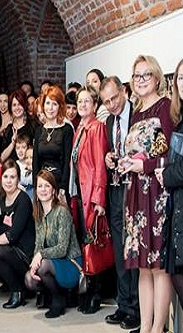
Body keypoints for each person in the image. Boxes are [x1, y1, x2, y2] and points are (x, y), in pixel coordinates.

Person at [121, 55, 173, 333]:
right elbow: (138, 152)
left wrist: (146, 166)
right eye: (136, 75)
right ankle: (145, 328)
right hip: (136, 195)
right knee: (142, 265)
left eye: (146, 75)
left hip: (157, 193)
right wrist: (124, 162)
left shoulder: (166, 107)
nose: (140, 80)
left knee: (159, 266)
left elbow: (172, 155)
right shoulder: (137, 112)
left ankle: (158, 328)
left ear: (156, 77)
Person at [100, 76, 140, 330]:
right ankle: (123, 304)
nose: (112, 104)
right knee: (118, 250)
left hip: (135, 189)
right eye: (106, 101)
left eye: (114, 98)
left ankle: (137, 308)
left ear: (124, 91)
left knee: (133, 250)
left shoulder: (138, 115)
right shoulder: (109, 121)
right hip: (116, 189)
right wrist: (108, 158)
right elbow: (110, 151)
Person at [69, 85, 109, 314]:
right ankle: (88, 290)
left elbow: (100, 165)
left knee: (94, 245)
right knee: (86, 244)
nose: (82, 105)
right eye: (79, 101)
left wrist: (99, 199)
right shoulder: (79, 129)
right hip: (79, 195)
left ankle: (96, 294)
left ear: (94, 105)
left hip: (91, 196)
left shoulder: (97, 127)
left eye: (87, 101)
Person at [25, 170, 83, 319]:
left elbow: (62, 249)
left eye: (47, 186)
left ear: (53, 190)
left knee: (43, 265)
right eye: (40, 186)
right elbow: (38, 244)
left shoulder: (61, 212)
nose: (43, 190)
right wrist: (34, 264)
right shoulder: (39, 214)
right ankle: (51, 294)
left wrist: (40, 255)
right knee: (29, 279)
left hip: (70, 263)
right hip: (53, 262)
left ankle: (59, 299)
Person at [0, 159, 35, 309]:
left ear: (18, 179)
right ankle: (12, 282)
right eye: (5, 176)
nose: (8, 181)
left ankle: (18, 291)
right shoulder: (2, 200)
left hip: (24, 255)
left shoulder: (23, 200)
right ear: (1, 178)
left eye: (12, 177)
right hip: (9, 251)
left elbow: (12, 235)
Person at [161, 59, 183, 305]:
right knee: (176, 272)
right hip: (177, 205)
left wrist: (165, 174)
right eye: (180, 78)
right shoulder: (179, 117)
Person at [32, 85, 74, 201]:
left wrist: (63, 188)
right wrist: (36, 186)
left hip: (59, 185)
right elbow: (35, 162)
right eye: (48, 103)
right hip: (43, 185)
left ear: (60, 106)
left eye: (54, 104)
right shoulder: (39, 131)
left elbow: (67, 162)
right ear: (43, 105)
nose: (50, 108)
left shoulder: (66, 130)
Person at [0, 89, 36, 162]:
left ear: (24, 105)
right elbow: (2, 158)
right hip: (12, 167)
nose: (17, 108)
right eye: (14, 105)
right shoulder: (9, 129)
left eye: (19, 104)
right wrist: (13, 143)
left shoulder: (32, 125)